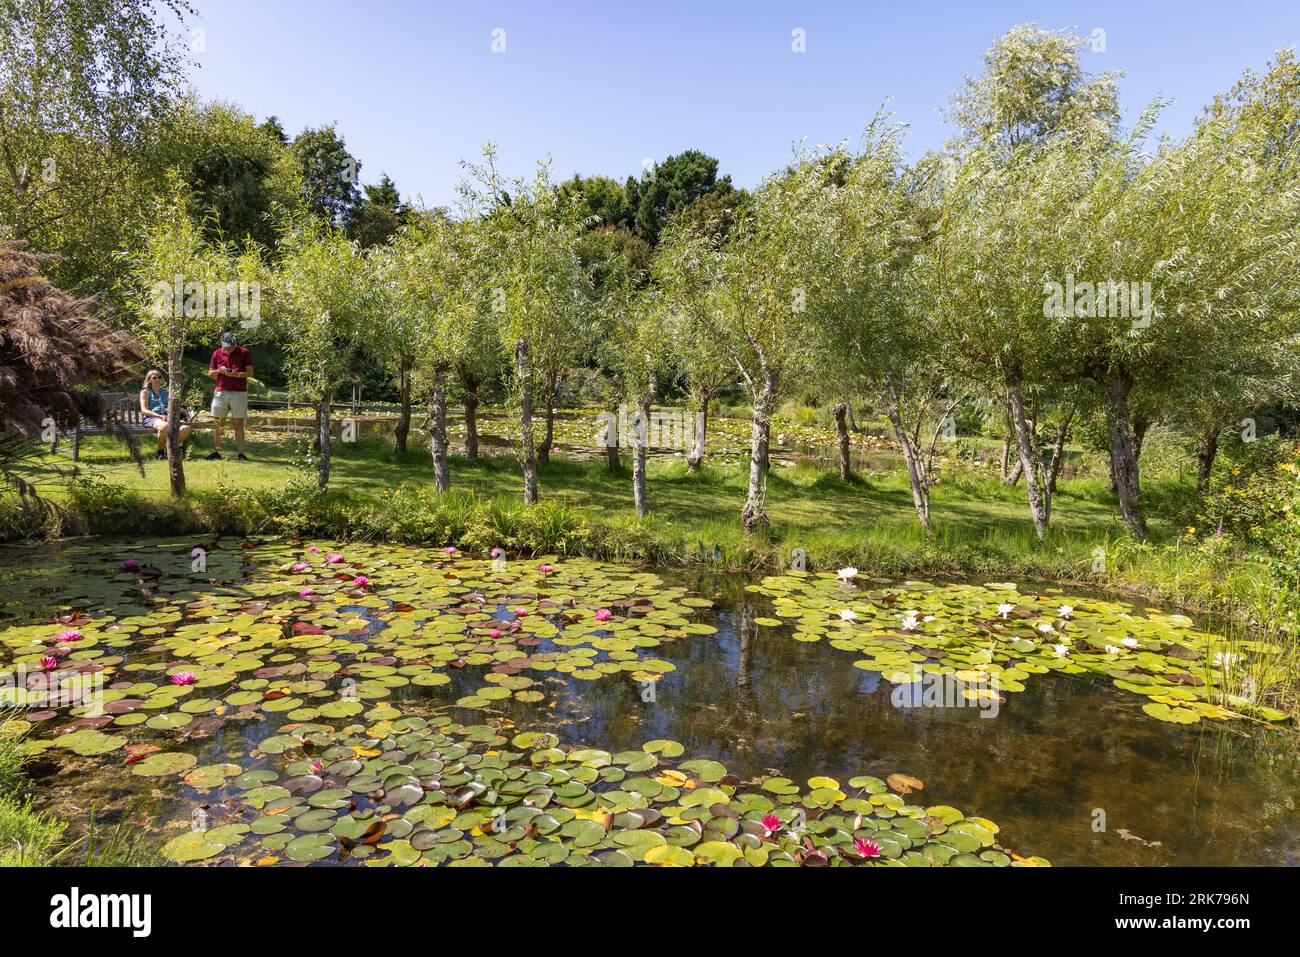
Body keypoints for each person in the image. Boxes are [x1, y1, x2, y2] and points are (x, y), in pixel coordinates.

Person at [206, 331, 253, 461]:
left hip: (239, 393)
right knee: (218, 422)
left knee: (238, 423)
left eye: (231, 347)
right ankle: (218, 452)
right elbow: (210, 373)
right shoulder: (217, 353)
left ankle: (241, 454)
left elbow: (250, 372)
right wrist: (218, 371)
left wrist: (237, 374)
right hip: (221, 392)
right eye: (227, 347)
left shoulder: (244, 352)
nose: (229, 349)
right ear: (222, 344)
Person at [139, 369, 191, 460]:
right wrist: (159, 416)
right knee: (164, 427)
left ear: (162, 379)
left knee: (186, 428)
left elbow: (174, 406)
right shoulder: (145, 392)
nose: (157, 379)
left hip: (168, 417)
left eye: (159, 377)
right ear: (149, 380)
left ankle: (171, 448)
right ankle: (160, 451)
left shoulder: (166, 392)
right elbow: (144, 410)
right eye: (154, 378)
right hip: (151, 418)